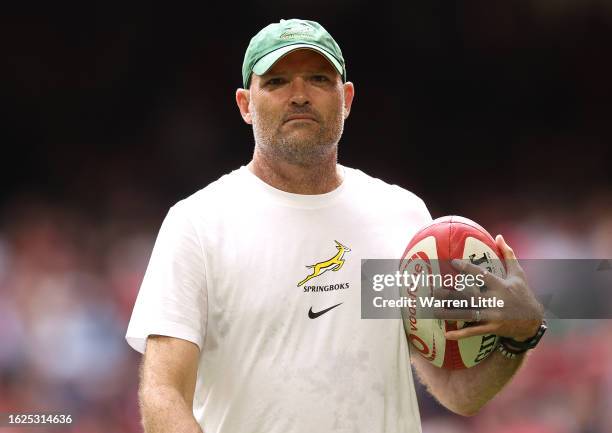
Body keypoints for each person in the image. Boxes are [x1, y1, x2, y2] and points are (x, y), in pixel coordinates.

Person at [126, 18, 545, 433]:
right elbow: (164, 392)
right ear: (244, 105)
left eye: (318, 79)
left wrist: (519, 334)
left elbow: (459, 393)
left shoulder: (402, 216)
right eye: (276, 82)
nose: (300, 95)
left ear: (346, 98)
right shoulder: (199, 222)